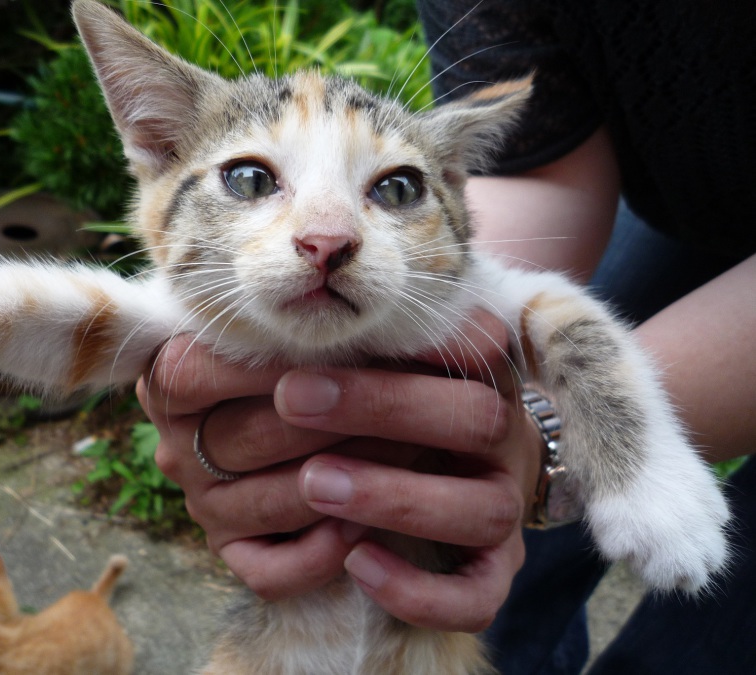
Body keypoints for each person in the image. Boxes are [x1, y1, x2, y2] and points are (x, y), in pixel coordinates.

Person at [137, 1, 756, 671]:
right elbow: (542, 172)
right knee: (480, 530)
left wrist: (550, 444)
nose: (328, 237)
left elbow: (550, 332)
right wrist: (444, 373)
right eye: (253, 180)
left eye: (395, 187)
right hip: (667, 201)